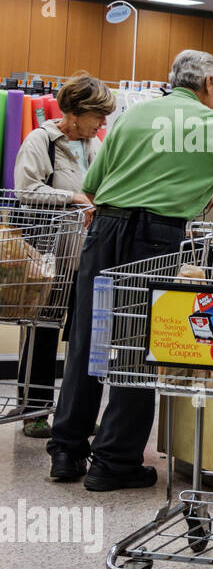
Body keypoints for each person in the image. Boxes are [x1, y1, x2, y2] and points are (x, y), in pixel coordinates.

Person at [47, 51, 213, 489]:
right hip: (155, 236)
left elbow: (94, 185)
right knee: (139, 346)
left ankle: (66, 450)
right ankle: (114, 462)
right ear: (210, 85)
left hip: (106, 228)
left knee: (88, 336)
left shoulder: (131, 119)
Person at [9, 74, 114, 439]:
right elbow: (25, 190)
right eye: (97, 116)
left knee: (83, 339)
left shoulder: (94, 145)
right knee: (43, 335)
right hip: (51, 258)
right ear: (74, 112)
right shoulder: (41, 141)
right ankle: (34, 411)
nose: (102, 123)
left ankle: (76, 416)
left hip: (87, 257)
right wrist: (72, 198)